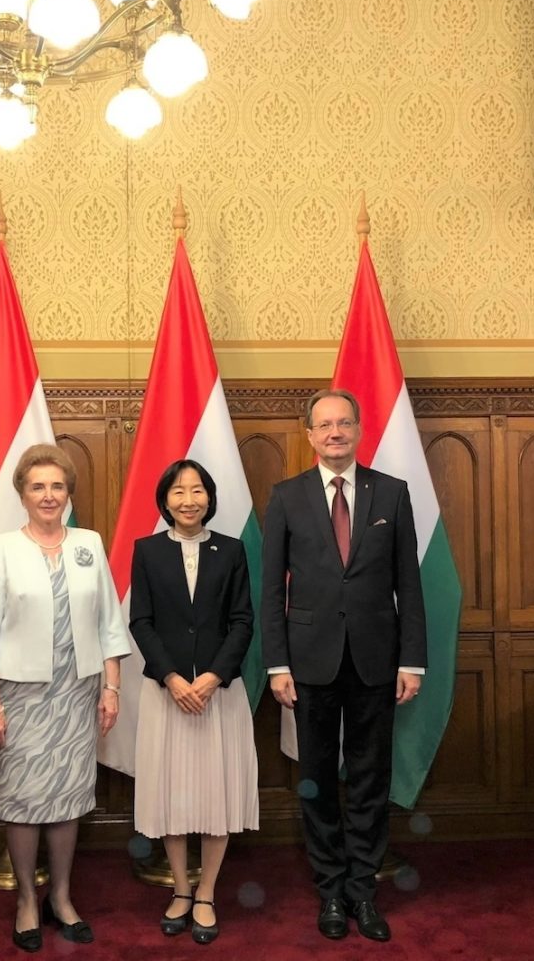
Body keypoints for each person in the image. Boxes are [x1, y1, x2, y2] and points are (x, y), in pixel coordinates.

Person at [261, 390, 427, 943]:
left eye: (344, 423)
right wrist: (276, 664)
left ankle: (363, 890)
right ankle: (330, 889)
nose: (335, 432)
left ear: (358, 429)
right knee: (315, 781)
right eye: (324, 425)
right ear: (309, 434)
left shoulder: (392, 493)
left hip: (377, 661)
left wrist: (412, 660)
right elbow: (271, 589)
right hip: (308, 662)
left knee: (370, 780)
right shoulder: (286, 496)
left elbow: (410, 584)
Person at [0, 443, 130, 952]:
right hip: (18, 696)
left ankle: (60, 897)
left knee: (67, 797)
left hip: (77, 692)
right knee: (22, 799)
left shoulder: (89, 543)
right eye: (38, 486)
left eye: (57, 486)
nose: (48, 495)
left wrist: (111, 688)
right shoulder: (1, 549)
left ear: (69, 493)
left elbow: (108, 622)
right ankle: (26, 902)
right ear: (22, 494)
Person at [130, 459, 259, 945]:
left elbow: (243, 620)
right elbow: (141, 621)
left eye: (197, 490)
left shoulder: (232, 550)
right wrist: (171, 677)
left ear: (210, 497)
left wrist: (212, 676)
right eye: (179, 491)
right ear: (165, 500)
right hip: (167, 694)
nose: (189, 500)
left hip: (217, 694)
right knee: (173, 792)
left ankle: (206, 892)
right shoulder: (147, 551)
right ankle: (181, 888)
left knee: (215, 791)